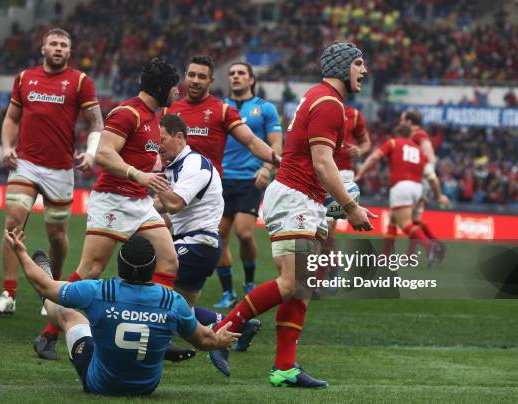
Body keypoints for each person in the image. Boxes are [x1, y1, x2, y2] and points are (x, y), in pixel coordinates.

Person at [208, 43, 376, 388]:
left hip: (306, 198)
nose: (364, 71)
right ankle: (223, 330)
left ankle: (285, 368)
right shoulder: (329, 102)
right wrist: (350, 207)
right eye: (359, 64)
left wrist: (337, 202)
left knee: (304, 287)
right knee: (291, 282)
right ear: (342, 66)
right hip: (295, 198)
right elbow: (321, 162)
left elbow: (318, 160)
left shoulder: (323, 99)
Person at [33, 58, 181, 360]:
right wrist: (138, 173)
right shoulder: (127, 113)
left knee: (169, 261)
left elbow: (142, 153)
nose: (177, 93)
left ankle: (155, 336)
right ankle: (47, 335)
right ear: (163, 88)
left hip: (139, 202)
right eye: (174, 88)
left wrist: (152, 166)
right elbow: (103, 153)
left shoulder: (155, 115)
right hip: (113, 200)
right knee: (89, 272)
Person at [4, 229, 240, 396]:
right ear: (152, 268)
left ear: (120, 264)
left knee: (68, 314)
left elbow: (43, 285)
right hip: (146, 387)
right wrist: (220, 340)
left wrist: (22, 253)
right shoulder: (173, 301)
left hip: (100, 384)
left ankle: (51, 301)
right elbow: (203, 340)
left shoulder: (98, 290)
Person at [0, 28, 103, 315]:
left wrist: (91, 152)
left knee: (56, 235)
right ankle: (8, 294)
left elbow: (97, 123)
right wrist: (5, 146)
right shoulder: (25, 78)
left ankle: (54, 290)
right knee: (13, 222)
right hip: (25, 163)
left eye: (64, 44)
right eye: (53, 43)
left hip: (60, 169)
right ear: (43, 48)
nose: (58, 48)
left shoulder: (80, 82)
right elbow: (12, 117)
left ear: (69, 51)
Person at [155, 114, 261, 352]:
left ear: (179, 137)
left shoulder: (194, 164)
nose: (157, 145)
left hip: (197, 244)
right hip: (196, 244)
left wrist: (153, 180)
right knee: (184, 309)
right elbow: (162, 208)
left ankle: (162, 342)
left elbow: (173, 203)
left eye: (161, 139)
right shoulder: (177, 166)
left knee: (151, 284)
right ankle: (236, 326)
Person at [214, 62, 283, 309]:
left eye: (241, 73)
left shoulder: (265, 109)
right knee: (218, 236)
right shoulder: (220, 107)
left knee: (244, 233)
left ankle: (250, 284)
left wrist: (267, 169)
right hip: (220, 180)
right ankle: (227, 292)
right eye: (231, 73)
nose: (235, 77)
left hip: (250, 179)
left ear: (252, 80)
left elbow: (276, 144)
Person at [163, 55, 280, 178]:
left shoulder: (223, 110)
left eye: (202, 77)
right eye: (192, 75)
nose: (195, 81)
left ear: (211, 80)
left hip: (208, 191)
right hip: (173, 186)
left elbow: (251, 142)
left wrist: (277, 161)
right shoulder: (169, 110)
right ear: (186, 76)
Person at [354, 124, 450, 261]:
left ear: (397, 134)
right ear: (410, 135)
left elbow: (374, 157)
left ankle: (430, 246)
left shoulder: (393, 142)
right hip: (417, 188)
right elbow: (432, 178)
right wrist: (438, 195)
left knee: (405, 224)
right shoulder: (419, 151)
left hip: (401, 186)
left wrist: (360, 174)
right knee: (393, 220)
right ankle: (385, 256)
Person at [318, 106, 371, 289]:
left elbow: (366, 143)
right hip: (319, 171)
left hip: (343, 175)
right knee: (315, 230)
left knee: (328, 228)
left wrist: (360, 150)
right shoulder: (319, 106)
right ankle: (333, 266)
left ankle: (317, 282)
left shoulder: (354, 114)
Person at [399, 110, 446, 258]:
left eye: (402, 120)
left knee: (409, 220)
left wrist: (423, 177)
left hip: (420, 182)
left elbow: (431, 158)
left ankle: (430, 247)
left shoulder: (420, 135)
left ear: (409, 122)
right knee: (415, 220)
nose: (400, 122)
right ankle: (432, 247)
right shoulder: (413, 136)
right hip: (417, 181)